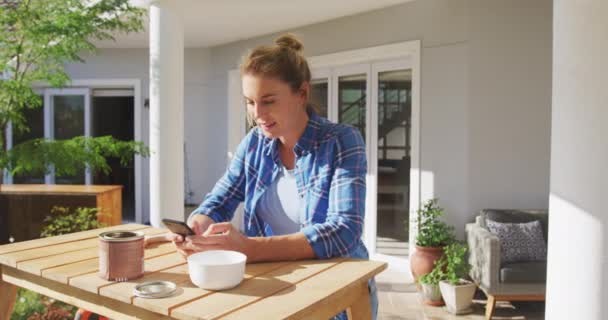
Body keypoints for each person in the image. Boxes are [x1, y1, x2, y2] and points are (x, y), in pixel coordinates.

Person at [165, 33, 377, 319]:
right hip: (277, 288)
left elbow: (344, 229)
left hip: (338, 296)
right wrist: (197, 228)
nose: (257, 114)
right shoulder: (255, 143)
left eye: (268, 101)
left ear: (302, 93)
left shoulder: (341, 141)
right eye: (250, 102)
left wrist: (251, 248)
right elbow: (220, 200)